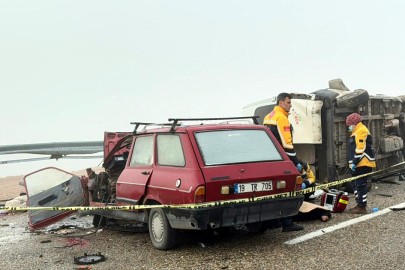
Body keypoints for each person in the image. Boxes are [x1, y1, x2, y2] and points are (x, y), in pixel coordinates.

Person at [264, 93, 304, 232]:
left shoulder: (268, 116)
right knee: (289, 191)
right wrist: (295, 162)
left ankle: (272, 221)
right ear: (281, 103)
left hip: (269, 160)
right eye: (288, 102)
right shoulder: (281, 118)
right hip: (283, 161)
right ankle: (287, 223)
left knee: (272, 192)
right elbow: (287, 144)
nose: (290, 105)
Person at [346, 113, 376, 214]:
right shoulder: (356, 131)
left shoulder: (361, 130)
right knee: (354, 184)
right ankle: (359, 203)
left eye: (349, 124)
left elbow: (360, 148)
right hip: (359, 164)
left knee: (360, 185)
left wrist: (354, 162)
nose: (348, 126)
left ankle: (361, 206)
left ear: (354, 123)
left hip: (363, 163)